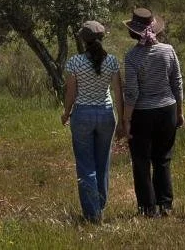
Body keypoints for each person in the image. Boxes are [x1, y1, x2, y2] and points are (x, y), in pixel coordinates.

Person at [121, 8, 184, 217]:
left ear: (134, 33)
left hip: (142, 113)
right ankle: (165, 204)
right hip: (167, 109)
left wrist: (126, 120)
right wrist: (180, 112)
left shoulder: (131, 57)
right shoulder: (168, 50)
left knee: (141, 161)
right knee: (163, 158)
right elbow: (177, 83)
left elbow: (132, 92)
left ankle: (148, 208)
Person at [61, 20, 124, 224]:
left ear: (83, 40)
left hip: (82, 114)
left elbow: (71, 93)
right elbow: (118, 92)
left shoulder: (74, 62)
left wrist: (66, 112)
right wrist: (122, 121)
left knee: (85, 164)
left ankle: (92, 213)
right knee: (102, 163)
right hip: (106, 114)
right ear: (102, 38)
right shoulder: (112, 61)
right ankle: (100, 207)